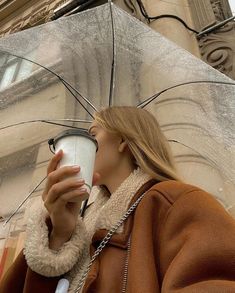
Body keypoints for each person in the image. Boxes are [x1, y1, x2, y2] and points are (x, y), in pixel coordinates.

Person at [1, 106, 235, 293]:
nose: (86, 142)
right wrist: (59, 234)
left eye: (93, 134)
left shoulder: (175, 202)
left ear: (123, 141)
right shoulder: (81, 223)